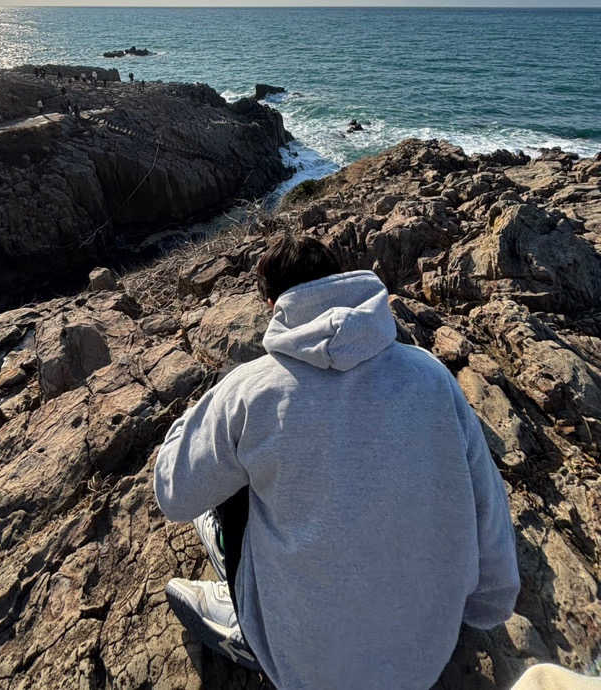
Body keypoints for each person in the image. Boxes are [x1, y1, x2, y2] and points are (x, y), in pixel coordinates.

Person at [154, 233, 520, 690]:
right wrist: (487, 607)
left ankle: (244, 627)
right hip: (428, 658)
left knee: (225, 494)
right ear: (343, 280)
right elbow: (487, 508)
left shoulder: (249, 391)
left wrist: (195, 415)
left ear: (273, 305)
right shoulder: (431, 377)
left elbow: (173, 494)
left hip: (304, 670)